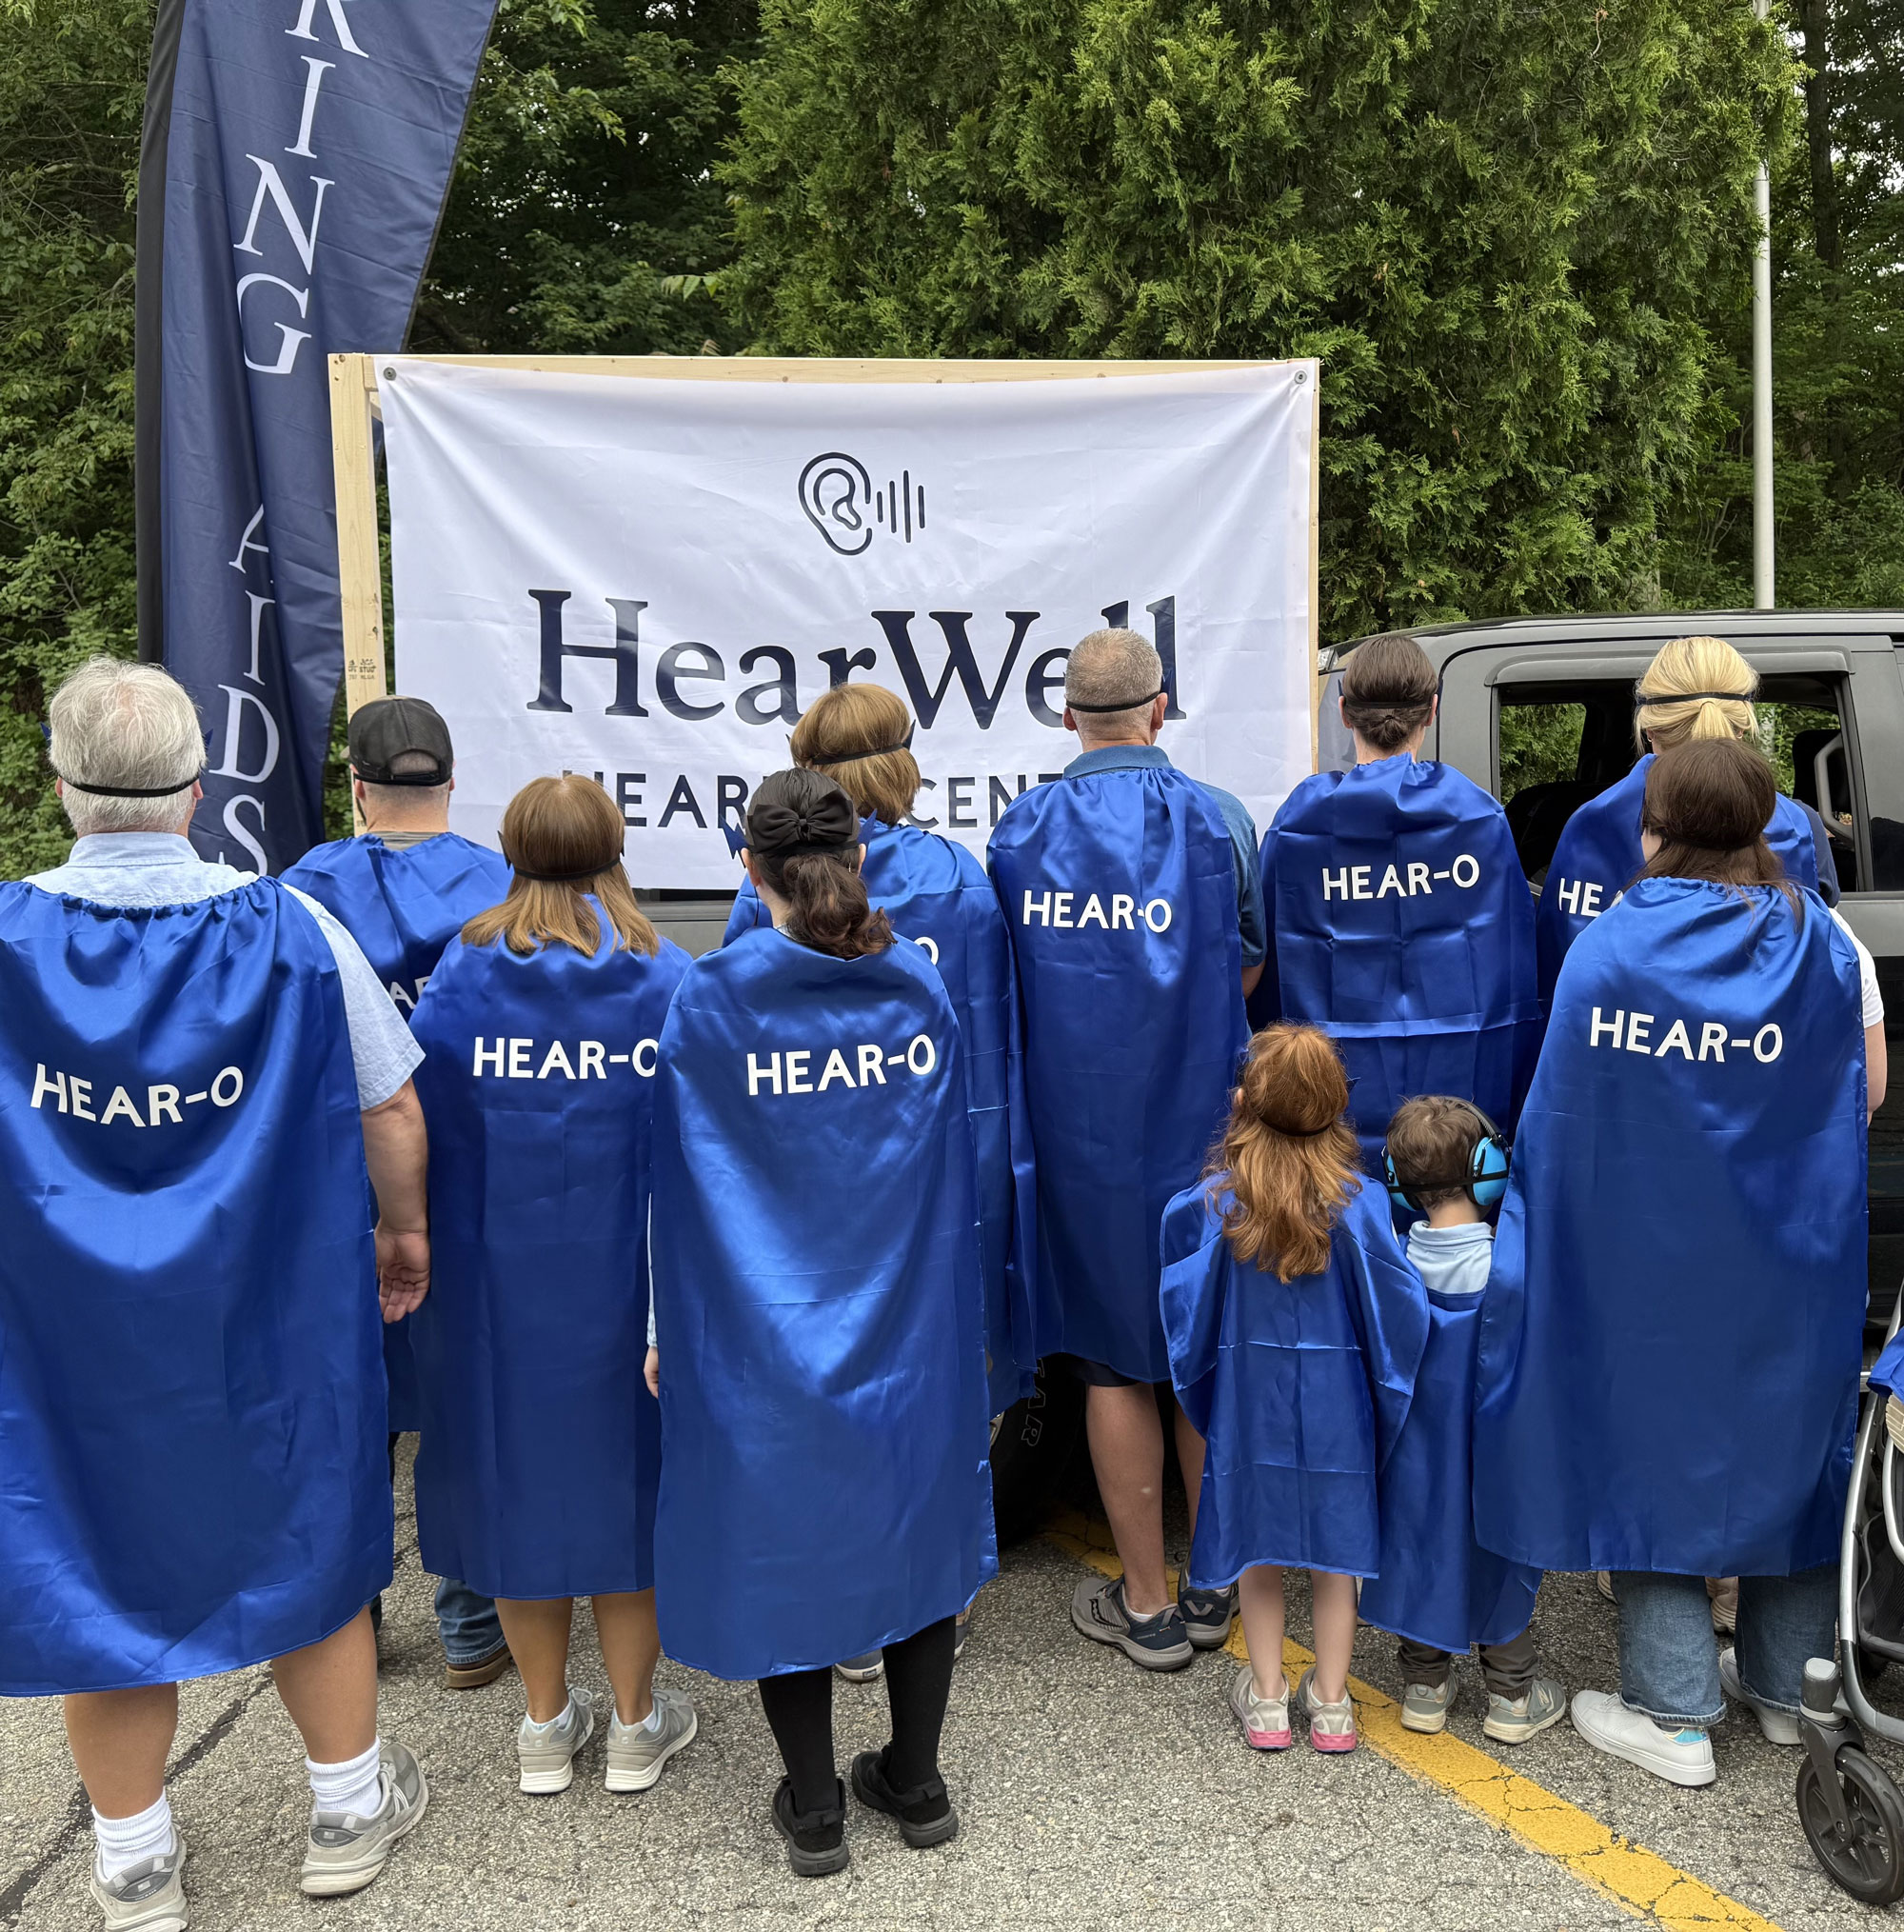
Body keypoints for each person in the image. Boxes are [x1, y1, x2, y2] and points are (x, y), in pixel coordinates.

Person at [0, 660, 432, 1927]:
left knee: (92, 1562)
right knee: (305, 1537)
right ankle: (346, 1808)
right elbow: (391, 1104)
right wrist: (404, 1230)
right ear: (196, 788)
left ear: (63, 788)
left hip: (63, 1334)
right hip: (270, 1312)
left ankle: (135, 1856)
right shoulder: (296, 930)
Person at [1475, 738, 1882, 1787]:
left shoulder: (1610, 947)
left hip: (1644, 1255)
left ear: (1652, 832)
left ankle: (1673, 1709)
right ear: (1764, 826)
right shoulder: (1828, 942)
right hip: (1790, 1250)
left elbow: (1563, 1119)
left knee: (1644, 1440)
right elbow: (1866, 1092)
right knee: (1793, 1442)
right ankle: (1790, 1689)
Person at [647, 769, 995, 1877]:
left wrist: (664, 1324)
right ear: (859, 859)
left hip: (762, 1327)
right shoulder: (915, 989)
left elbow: (676, 1182)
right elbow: (949, 1164)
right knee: (915, 1524)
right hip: (904, 1315)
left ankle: (813, 1806)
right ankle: (917, 1779)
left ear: (748, 869)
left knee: (778, 1539)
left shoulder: (710, 998)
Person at [727, 682, 1038, 1685]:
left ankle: (852, 1599)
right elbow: (996, 1036)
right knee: (943, 1375)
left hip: (816, 1177)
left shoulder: (767, 889)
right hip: (946, 1162)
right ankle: (934, 1590)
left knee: (830, 1372)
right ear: (904, 761)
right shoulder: (961, 878)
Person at [407, 776, 697, 1800]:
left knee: (514, 1492)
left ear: (508, 846)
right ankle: (633, 1723)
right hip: (630, 1288)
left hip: (499, 1294)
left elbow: (420, 1118)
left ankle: (542, 1724)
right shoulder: (666, 974)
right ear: (617, 846)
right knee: (630, 1494)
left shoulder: (465, 970)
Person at [988, 627, 1264, 1668]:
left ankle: (1145, 1606)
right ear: (1160, 707)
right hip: (1200, 1125)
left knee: (1110, 1361)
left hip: (1077, 1135)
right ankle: (1216, 1585)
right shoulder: (1221, 817)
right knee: (1199, 1350)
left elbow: (1009, 983)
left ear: (1067, 716)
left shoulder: (1018, 832)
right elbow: (1245, 964)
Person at [282, 694, 514, 1690]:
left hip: (345, 1189)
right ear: (453, 782)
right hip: (478, 1183)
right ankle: (470, 1624)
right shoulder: (504, 884)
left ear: (357, 787)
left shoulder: (300, 892)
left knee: (352, 1404)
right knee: (464, 1392)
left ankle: (355, 1622)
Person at [1160, 1025, 1429, 1756]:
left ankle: (1269, 1698)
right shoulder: (1359, 1203)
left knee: (1258, 1549)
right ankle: (1334, 1704)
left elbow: (1182, 1292)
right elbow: (1400, 1308)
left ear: (1242, 1102)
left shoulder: (1220, 1205)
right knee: (1337, 1558)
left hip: (1252, 1413)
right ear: (1337, 1105)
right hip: (1339, 1414)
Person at [1251, 631, 1540, 1172]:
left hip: (1329, 1110)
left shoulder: (1300, 825)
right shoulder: (1475, 817)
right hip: (1458, 1121)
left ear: (1343, 712)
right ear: (1431, 710)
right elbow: (1514, 963)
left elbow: (1263, 956)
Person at [1358, 1097, 1557, 1744]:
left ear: (1396, 1181)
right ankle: (1511, 1699)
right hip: (1496, 1455)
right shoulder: (1512, 1268)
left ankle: (1424, 1689)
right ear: (1489, 1169)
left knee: (1421, 1549)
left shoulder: (1393, 1264)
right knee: (1500, 1554)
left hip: (1416, 1460)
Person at [1536, 632, 1839, 1002]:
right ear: (1742, 727)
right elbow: (1820, 973)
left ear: (1649, 729)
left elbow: (1557, 977)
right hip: (1766, 1037)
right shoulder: (1800, 826)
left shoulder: (1589, 826)